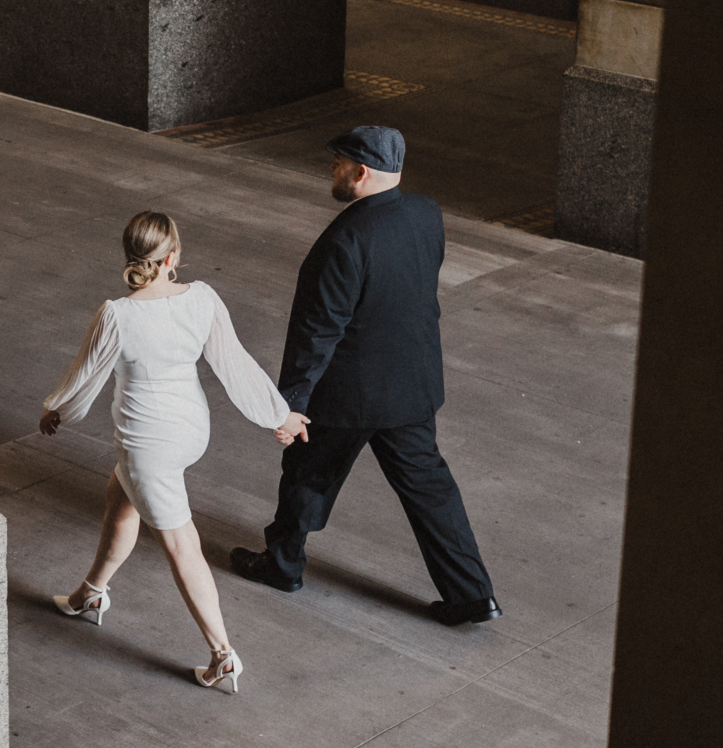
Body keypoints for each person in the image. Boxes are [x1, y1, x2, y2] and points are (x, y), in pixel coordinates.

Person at [230, 125, 501, 624]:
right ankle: (472, 594)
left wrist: (290, 405)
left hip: (349, 396)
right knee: (431, 489)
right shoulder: (426, 213)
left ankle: (283, 565)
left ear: (361, 172)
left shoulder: (344, 241)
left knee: (307, 476)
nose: (331, 170)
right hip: (411, 385)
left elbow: (318, 334)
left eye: (337, 163)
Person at [40, 211, 305, 693]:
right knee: (120, 500)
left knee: (182, 547)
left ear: (132, 258)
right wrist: (278, 414)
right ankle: (89, 595)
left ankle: (222, 655)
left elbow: (85, 377)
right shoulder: (202, 298)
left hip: (149, 444)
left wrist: (58, 411)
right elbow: (235, 364)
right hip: (190, 430)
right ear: (174, 256)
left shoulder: (118, 314)